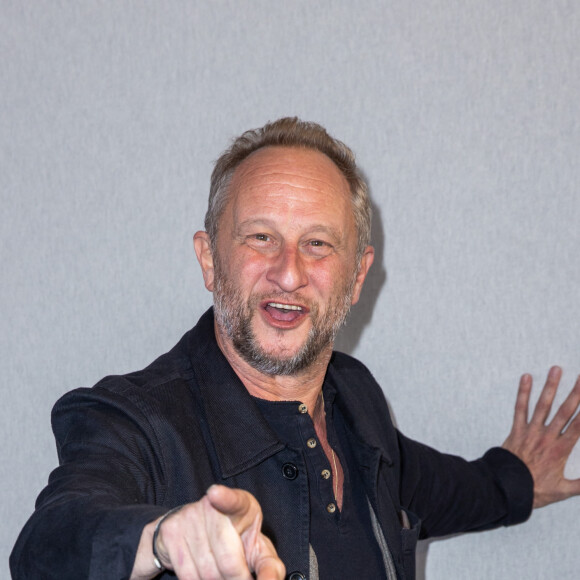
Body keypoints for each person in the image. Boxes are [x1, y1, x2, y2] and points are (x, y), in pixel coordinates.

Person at [10, 118, 580, 580]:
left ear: (357, 278)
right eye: (261, 237)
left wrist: (517, 479)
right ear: (210, 258)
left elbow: (425, 486)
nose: (289, 273)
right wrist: (163, 538)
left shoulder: (354, 398)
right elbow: (50, 541)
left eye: (318, 244)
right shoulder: (133, 421)